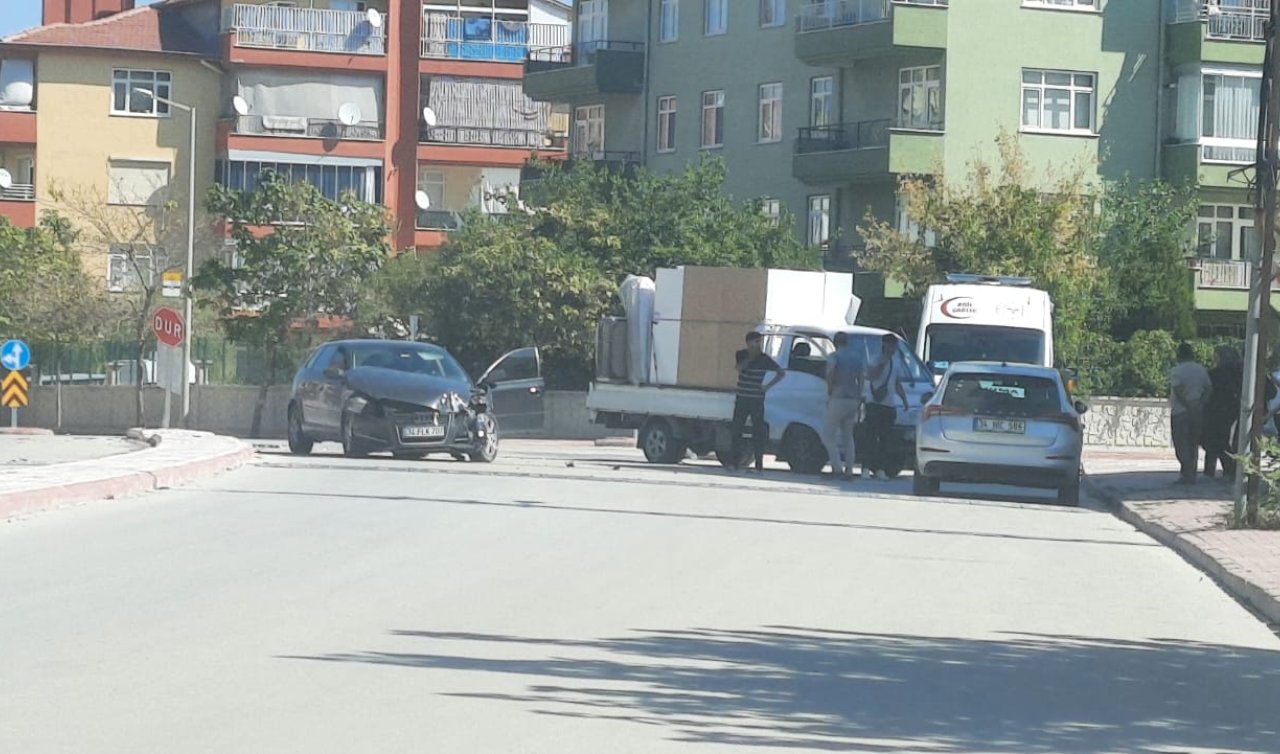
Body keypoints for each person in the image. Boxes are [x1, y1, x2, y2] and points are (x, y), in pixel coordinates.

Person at [731, 331, 784, 473]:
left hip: (756, 399)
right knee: (737, 429)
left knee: (758, 431)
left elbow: (781, 373)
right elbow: (739, 368)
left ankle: (759, 464)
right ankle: (734, 462)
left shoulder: (764, 359)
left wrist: (767, 386)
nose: (758, 345)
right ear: (748, 343)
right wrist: (750, 357)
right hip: (742, 397)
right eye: (756, 342)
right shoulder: (741, 354)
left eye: (760, 342)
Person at [862, 334, 910, 481]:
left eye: (894, 346)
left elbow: (896, 383)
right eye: (891, 346)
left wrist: (904, 400)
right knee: (870, 437)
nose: (893, 349)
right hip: (873, 403)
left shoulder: (896, 362)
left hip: (889, 405)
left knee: (885, 439)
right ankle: (865, 467)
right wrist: (882, 363)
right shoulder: (875, 359)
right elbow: (871, 376)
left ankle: (880, 469)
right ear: (885, 345)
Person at [1169, 342, 1212, 485]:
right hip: (1197, 410)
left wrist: (1187, 405)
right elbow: (1208, 389)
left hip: (1180, 411)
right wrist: (1200, 404)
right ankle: (1191, 473)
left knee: (1180, 442)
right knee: (1193, 442)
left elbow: (1178, 390)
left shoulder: (1177, 370)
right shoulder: (1201, 369)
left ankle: (1186, 472)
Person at [823, 332, 864, 480]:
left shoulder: (834, 356)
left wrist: (829, 388)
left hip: (838, 397)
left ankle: (836, 467)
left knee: (828, 434)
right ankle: (849, 470)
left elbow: (830, 371)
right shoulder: (857, 358)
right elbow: (861, 378)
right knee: (848, 435)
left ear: (835, 343)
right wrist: (859, 395)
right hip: (853, 399)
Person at [1202, 345, 1242, 479]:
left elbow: (1208, 391)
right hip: (1234, 409)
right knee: (1222, 440)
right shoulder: (1241, 372)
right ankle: (1227, 469)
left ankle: (1219, 469)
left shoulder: (1215, 373)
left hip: (1216, 410)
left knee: (1215, 440)